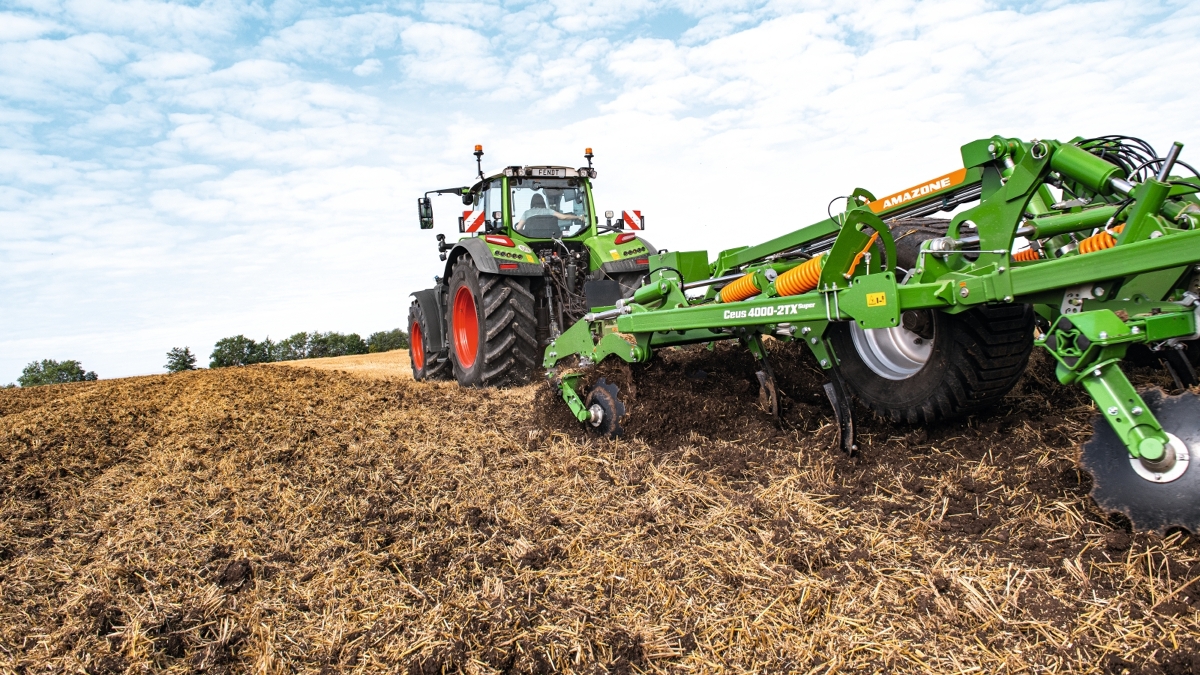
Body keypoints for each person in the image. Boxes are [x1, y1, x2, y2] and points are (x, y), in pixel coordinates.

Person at [516, 193, 582, 232]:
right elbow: (564, 217)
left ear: (532, 203)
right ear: (543, 202)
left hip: (530, 238)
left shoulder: (527, 213)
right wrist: (578, 217)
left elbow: (519, 228)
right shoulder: (549, 211)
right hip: (551, 238)